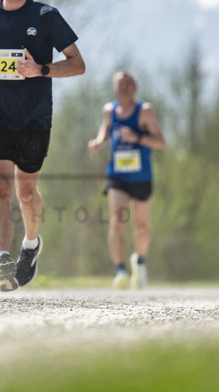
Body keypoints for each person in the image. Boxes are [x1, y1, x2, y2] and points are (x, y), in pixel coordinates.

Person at [0, 0, 85, 292]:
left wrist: (41, 69)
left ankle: (30, 246)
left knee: (27, 191)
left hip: (34, 117)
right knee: (1, 187)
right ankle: (3, 258)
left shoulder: (46, 17)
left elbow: (78, 64)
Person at [87, 71, 166, 289]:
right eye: (120, 84)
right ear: (114, 89)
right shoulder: (109, 111)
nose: (124, 88)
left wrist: (137, 137)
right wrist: (98, 141)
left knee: (141, 227)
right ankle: (120, 271)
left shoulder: (145, 112)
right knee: (118, 219)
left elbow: (161, 142)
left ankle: (139, 261)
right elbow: (105, 129)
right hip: (117, 176)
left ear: (135, 88)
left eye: (128, 84)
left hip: (141, 177)